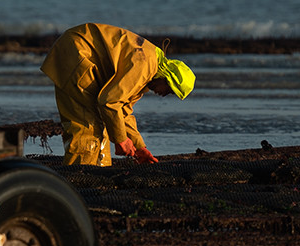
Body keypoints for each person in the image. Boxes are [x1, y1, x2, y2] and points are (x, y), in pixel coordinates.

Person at [40, 22, 195, 166]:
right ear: (166, 78)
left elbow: (122, 112)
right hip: (77, 53)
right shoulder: (144, 66)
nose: (164, 95)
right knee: (89, 130)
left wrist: (139, 146)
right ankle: (78, 185)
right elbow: (108, 103)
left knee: (104, 125)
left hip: (74, 52)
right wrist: (120, 139)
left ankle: (93, 179)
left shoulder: (147, 72)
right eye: (169, 91)